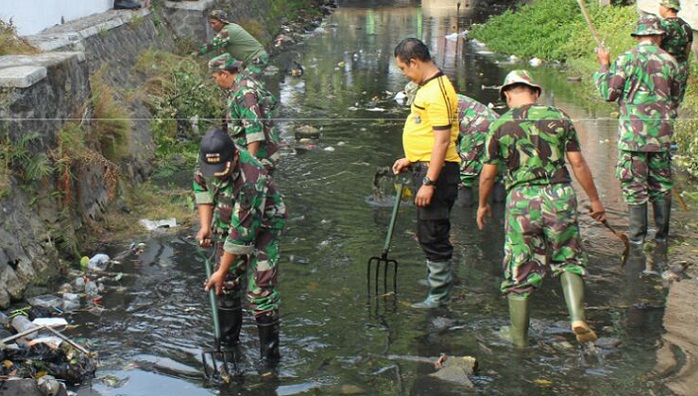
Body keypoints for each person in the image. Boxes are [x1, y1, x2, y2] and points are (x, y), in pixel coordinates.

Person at [477, 70, 605, 348]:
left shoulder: (499, 125)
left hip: (522, 201)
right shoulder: (559, 117)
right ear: (535, 93)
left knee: (519, 267)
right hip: (560, 195)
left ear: (508, 95)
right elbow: (578, 163)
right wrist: (595, 200)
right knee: (568, 257)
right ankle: (577, 317)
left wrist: (483, 204)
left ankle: (518, 339)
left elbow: (488, 174)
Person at [194, 128, 287, 371]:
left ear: (234, 158)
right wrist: (206, 227)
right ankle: (228, 347)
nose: (217, 175)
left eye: (222, 171)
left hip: (264, 225)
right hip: (228, 217)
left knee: (260, 291)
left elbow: (240, 236)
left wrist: (222, 270)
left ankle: (269, 360)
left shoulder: (252, 178)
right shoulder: (208, 157)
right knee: (225, 284)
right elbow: (202, 187)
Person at [594, 15, 680, 245]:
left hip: (633, 138)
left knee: (635, 185)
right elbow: (675, 99)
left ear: (640, 35)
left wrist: (604, 64)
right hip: (661, 136)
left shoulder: (626, 59)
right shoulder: (671, 61)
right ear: (658, 36)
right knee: (662, 186)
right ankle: (662, 237)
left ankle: (637, 240)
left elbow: (608, 93)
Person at [391, 38, 460, 309]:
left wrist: (429, 181)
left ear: (415, 62)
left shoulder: (437, 91)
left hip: (439, 173)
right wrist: (411, 158)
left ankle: (440, 295)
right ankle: (436, 280)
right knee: (427, 229)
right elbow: (428, 132)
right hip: (426, 165)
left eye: (403, 69)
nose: (404, 74)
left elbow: (442, 140)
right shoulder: (429, 88)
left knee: (432, 231)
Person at [208, 53, 280, 171]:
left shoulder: (244, 93)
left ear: (225, 74)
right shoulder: (245, 83)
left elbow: (254, 130)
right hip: (252, 154)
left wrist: (249, 166)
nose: (216, 82)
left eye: (215, 77)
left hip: (260, 159)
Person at [454, 93, 505, 207]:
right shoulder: (452, 95)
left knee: (465, 177)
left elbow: (443, 138)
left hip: (476, 129)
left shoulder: (434, 102)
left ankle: (464, 214)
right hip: (498, 124)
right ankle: (499, 212)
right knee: (496, 171)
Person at [194, 10, 269, 78]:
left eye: (214, 23)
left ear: (222, 22)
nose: (212, 26)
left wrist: (194, 54)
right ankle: (214, 80)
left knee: (245, 82)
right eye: (211, 23)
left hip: (257, 59)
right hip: (248, 58)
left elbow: (210, 46)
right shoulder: (232, 26)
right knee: (214, 63)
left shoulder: (226, 32)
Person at [659, 0, 693, 105]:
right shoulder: (686, 26)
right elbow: (687, 50)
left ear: (667, 8)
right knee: (675, 103)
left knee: (659, 102)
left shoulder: (661, 26)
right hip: (681, 68)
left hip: (663, 69)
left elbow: (654, 49)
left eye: (661, 5)